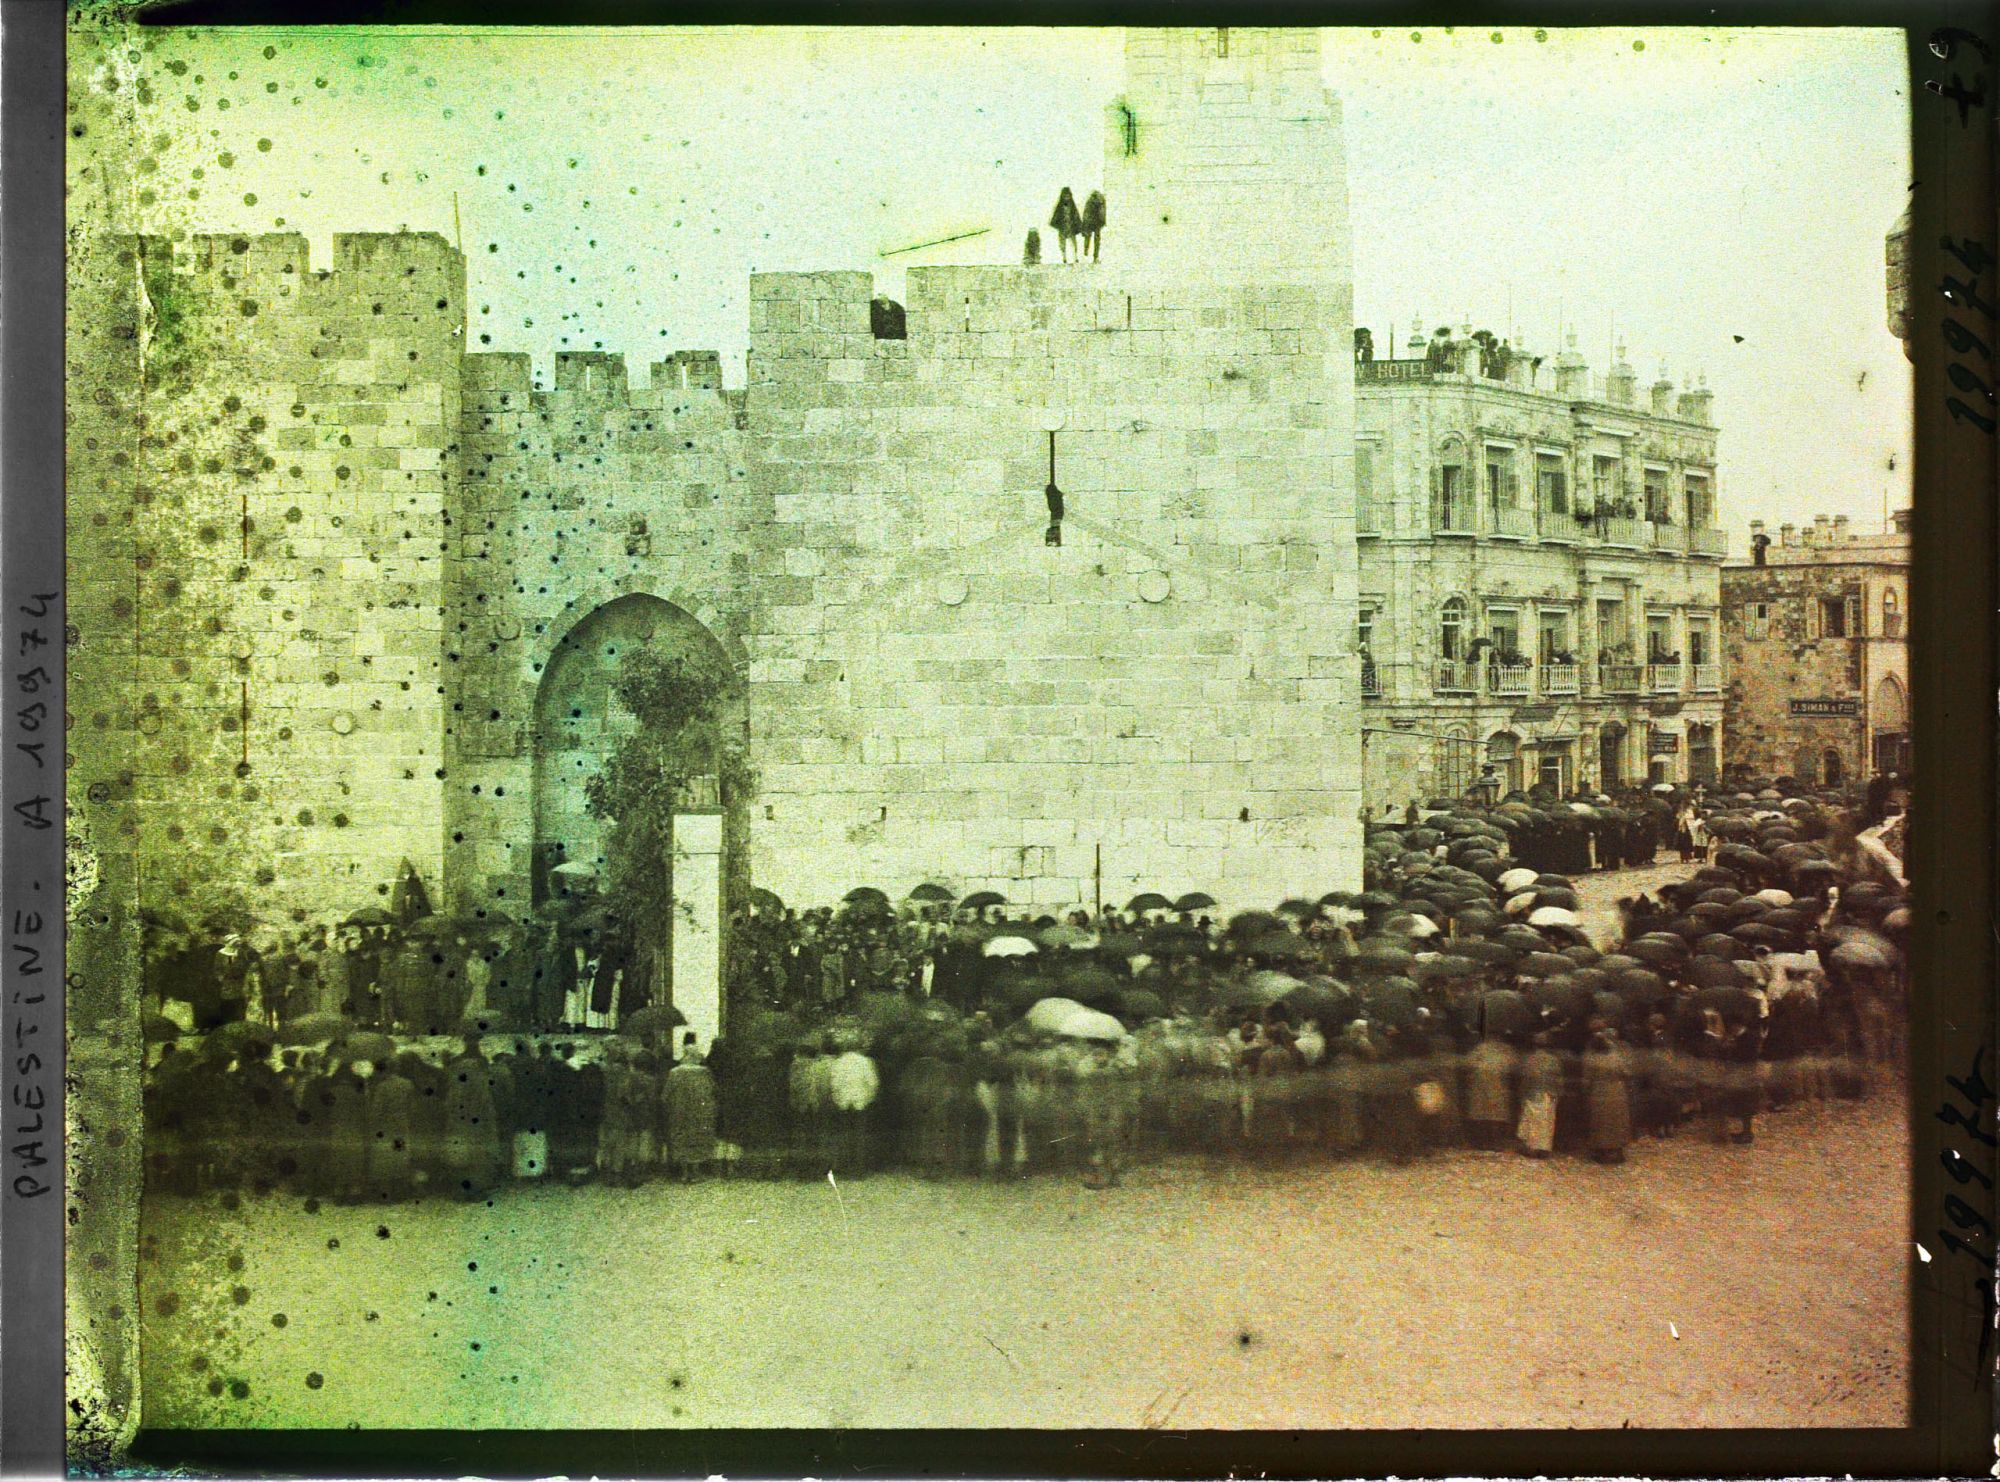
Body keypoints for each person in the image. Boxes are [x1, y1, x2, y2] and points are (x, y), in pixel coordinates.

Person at [443, 1034, 504, 1199]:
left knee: (461, 1160)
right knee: (477, 1161)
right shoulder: (480, 1083)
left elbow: (448, 1106)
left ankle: (461, 1191)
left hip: (459, 1128)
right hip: (477, 1128)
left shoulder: (456, 1086)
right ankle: (476, 1191)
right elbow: (487, 1107)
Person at [662, 1034, 719, 1182]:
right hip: (699, 1111)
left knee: (681, 1138)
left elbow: (666, 1094)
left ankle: (684, 1173)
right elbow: (712, 1090)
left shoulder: (674, 1072)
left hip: (679, 1111)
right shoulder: (704, 1072)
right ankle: (695, 1172)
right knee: (697, 1139)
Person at [363, 1055, 417, 1200]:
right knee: (399, 1157)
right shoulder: (408, 1084)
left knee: (385, 1159)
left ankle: (385, 1194)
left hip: (386, 1127)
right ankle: (400, 1192)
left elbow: (376, 1110)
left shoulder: (382, 1087)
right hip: (402, 1124)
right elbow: (412, 1107)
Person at [827, 1038, 881, 1175]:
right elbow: (873, 1083)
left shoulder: (837, 1063)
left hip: (843, 1103)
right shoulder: (866, 1062)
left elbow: (834, 1084)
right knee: (860, 1135)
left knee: (843, 1135)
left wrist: (837, 1099)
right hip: (861, 1103)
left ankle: (843, 1167)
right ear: (858, 1047)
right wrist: (869, 1099)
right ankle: (859, 1169)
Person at [1581, 1025, 1633, 1165]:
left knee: (1600, 1121)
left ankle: (1602, 1151)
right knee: (1617, 1120)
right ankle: (1616, 1150)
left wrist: (1585, 1092)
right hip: (1617, 1090)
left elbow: (1586, 1079)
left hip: (1599, 1090)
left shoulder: (1591, 1058)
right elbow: (1627, 1072)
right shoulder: (1616, 1056)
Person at [1462, 1028, 1518, 1151]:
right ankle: (1494, 1142)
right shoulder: (1506, 1050)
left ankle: (1483, 1142)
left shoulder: (1481, 1048)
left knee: (1483, 1115)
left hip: (1484, 1086)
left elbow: (1468, 1063)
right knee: (1495, 1115)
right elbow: (1513, 1066)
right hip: (1496, 1087)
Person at [1516, 1031, 1562, 1159]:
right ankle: (1544, 1149)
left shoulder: (1529, 1059)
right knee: (1546, 1122)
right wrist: (1558, 1094)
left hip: (1532, 1093)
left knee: (1532, 1121)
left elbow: (1524, 1079)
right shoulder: (1553, 1060)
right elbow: (1558, 1080)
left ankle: (1532, 1148)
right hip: (1549, 1094)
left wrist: (1521, 1093)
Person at [1050, 187, 1083, 263]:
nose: (1066, 198)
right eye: (1065, 196)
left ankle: (1075, 257)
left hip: (1071, 227)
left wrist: (1077, 225)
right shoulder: (1059, 206)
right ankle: (1064, 257)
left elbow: (1076, 216)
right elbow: (1056, 216)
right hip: (1063, 227)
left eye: (1068, 196)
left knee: (1074, 243)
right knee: (1062, 243)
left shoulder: (1072, 206)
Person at [1080, 190, 1106, 263]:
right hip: (1097, 223)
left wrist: (1084, 223)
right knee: (1097, 240)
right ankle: (1095, 257)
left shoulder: (1089, 201)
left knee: (1087, 238)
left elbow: (1086, 213)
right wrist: (1103, 222)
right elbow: (1102, 213)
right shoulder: (1101, 201)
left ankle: (1086, 253)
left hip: (1089, 222)